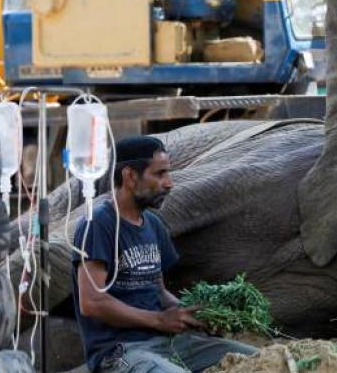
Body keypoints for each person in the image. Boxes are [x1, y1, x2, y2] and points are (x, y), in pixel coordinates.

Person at [72, 136, 257, 373]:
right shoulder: (98, 223)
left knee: (258, 360)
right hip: (121, 351)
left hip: (167, 343)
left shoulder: (153, 224)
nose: (169, 183)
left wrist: (198, 315)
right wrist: (159, 320)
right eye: (160, 174)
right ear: (130, 176)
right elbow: (91, 303)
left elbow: (158, 291)